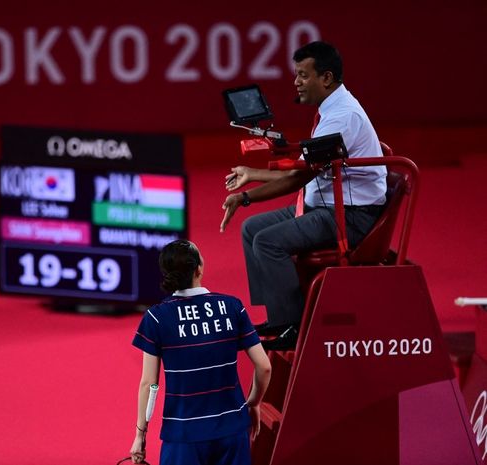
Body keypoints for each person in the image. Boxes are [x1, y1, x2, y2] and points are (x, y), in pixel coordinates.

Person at [219, 41, 387, 351]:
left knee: (266, 241)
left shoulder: (342, 117)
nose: (296, 82)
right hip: (323, 203)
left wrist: (248, 192)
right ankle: (278, 316)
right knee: (251, 229)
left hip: (348, 216)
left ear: (326, 78)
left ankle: (294, 328)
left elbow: (299, 177)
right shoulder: (332, 109)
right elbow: (304, 169)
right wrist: (251, 185)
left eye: (302, 75)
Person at [129, 239, 271, 465]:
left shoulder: (157, 317)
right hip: (232, 432)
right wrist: (253, 403)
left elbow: (149, 384)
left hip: (183, 437)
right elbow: (264, 366)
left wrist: (140, 434)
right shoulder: (233, 306)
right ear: (199, 269)